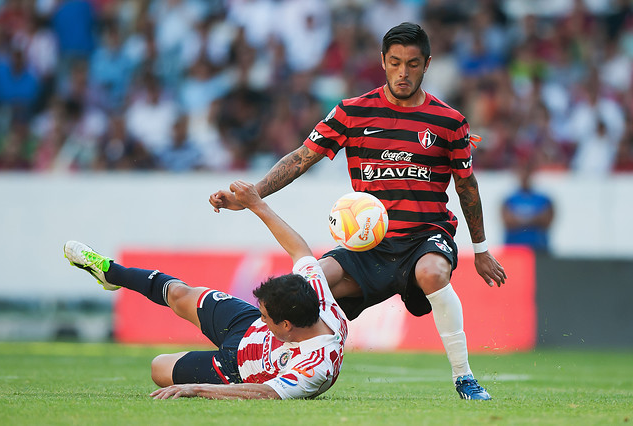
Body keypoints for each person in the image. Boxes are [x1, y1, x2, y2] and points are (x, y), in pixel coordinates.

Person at [210, 22, 507, 400]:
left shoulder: (449, 121)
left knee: (432, 273)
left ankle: (464, 377)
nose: (403, 72)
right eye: (395, 62)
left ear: (427, 64)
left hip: (424, 238)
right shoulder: (352, 112)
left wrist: (480, 251)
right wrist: (252, 194)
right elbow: (302, 158)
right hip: (370, 244)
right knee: (307, 286)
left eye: (413, 64)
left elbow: (467, 187)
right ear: (383, 61)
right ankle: (266, 365)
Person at [64, 180, 348, 400]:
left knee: (158, 368)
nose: (264, 319)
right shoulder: (317, 297)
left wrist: (197, 389)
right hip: (243, 324)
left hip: (236, 370)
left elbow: (266, 393)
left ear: (286, 325)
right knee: (179, 294)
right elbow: (299, 249)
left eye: (267, 317)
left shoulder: (316, 366)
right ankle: (112, 274)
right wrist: (255, 203)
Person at [502, 163, 554, 252]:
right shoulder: (509, 200)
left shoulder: (544, 199)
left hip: (539, 248)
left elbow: (545, 220)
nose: (524, 177)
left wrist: (520, 218)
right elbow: (508, 221)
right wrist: (533, 218)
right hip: (514, 249)